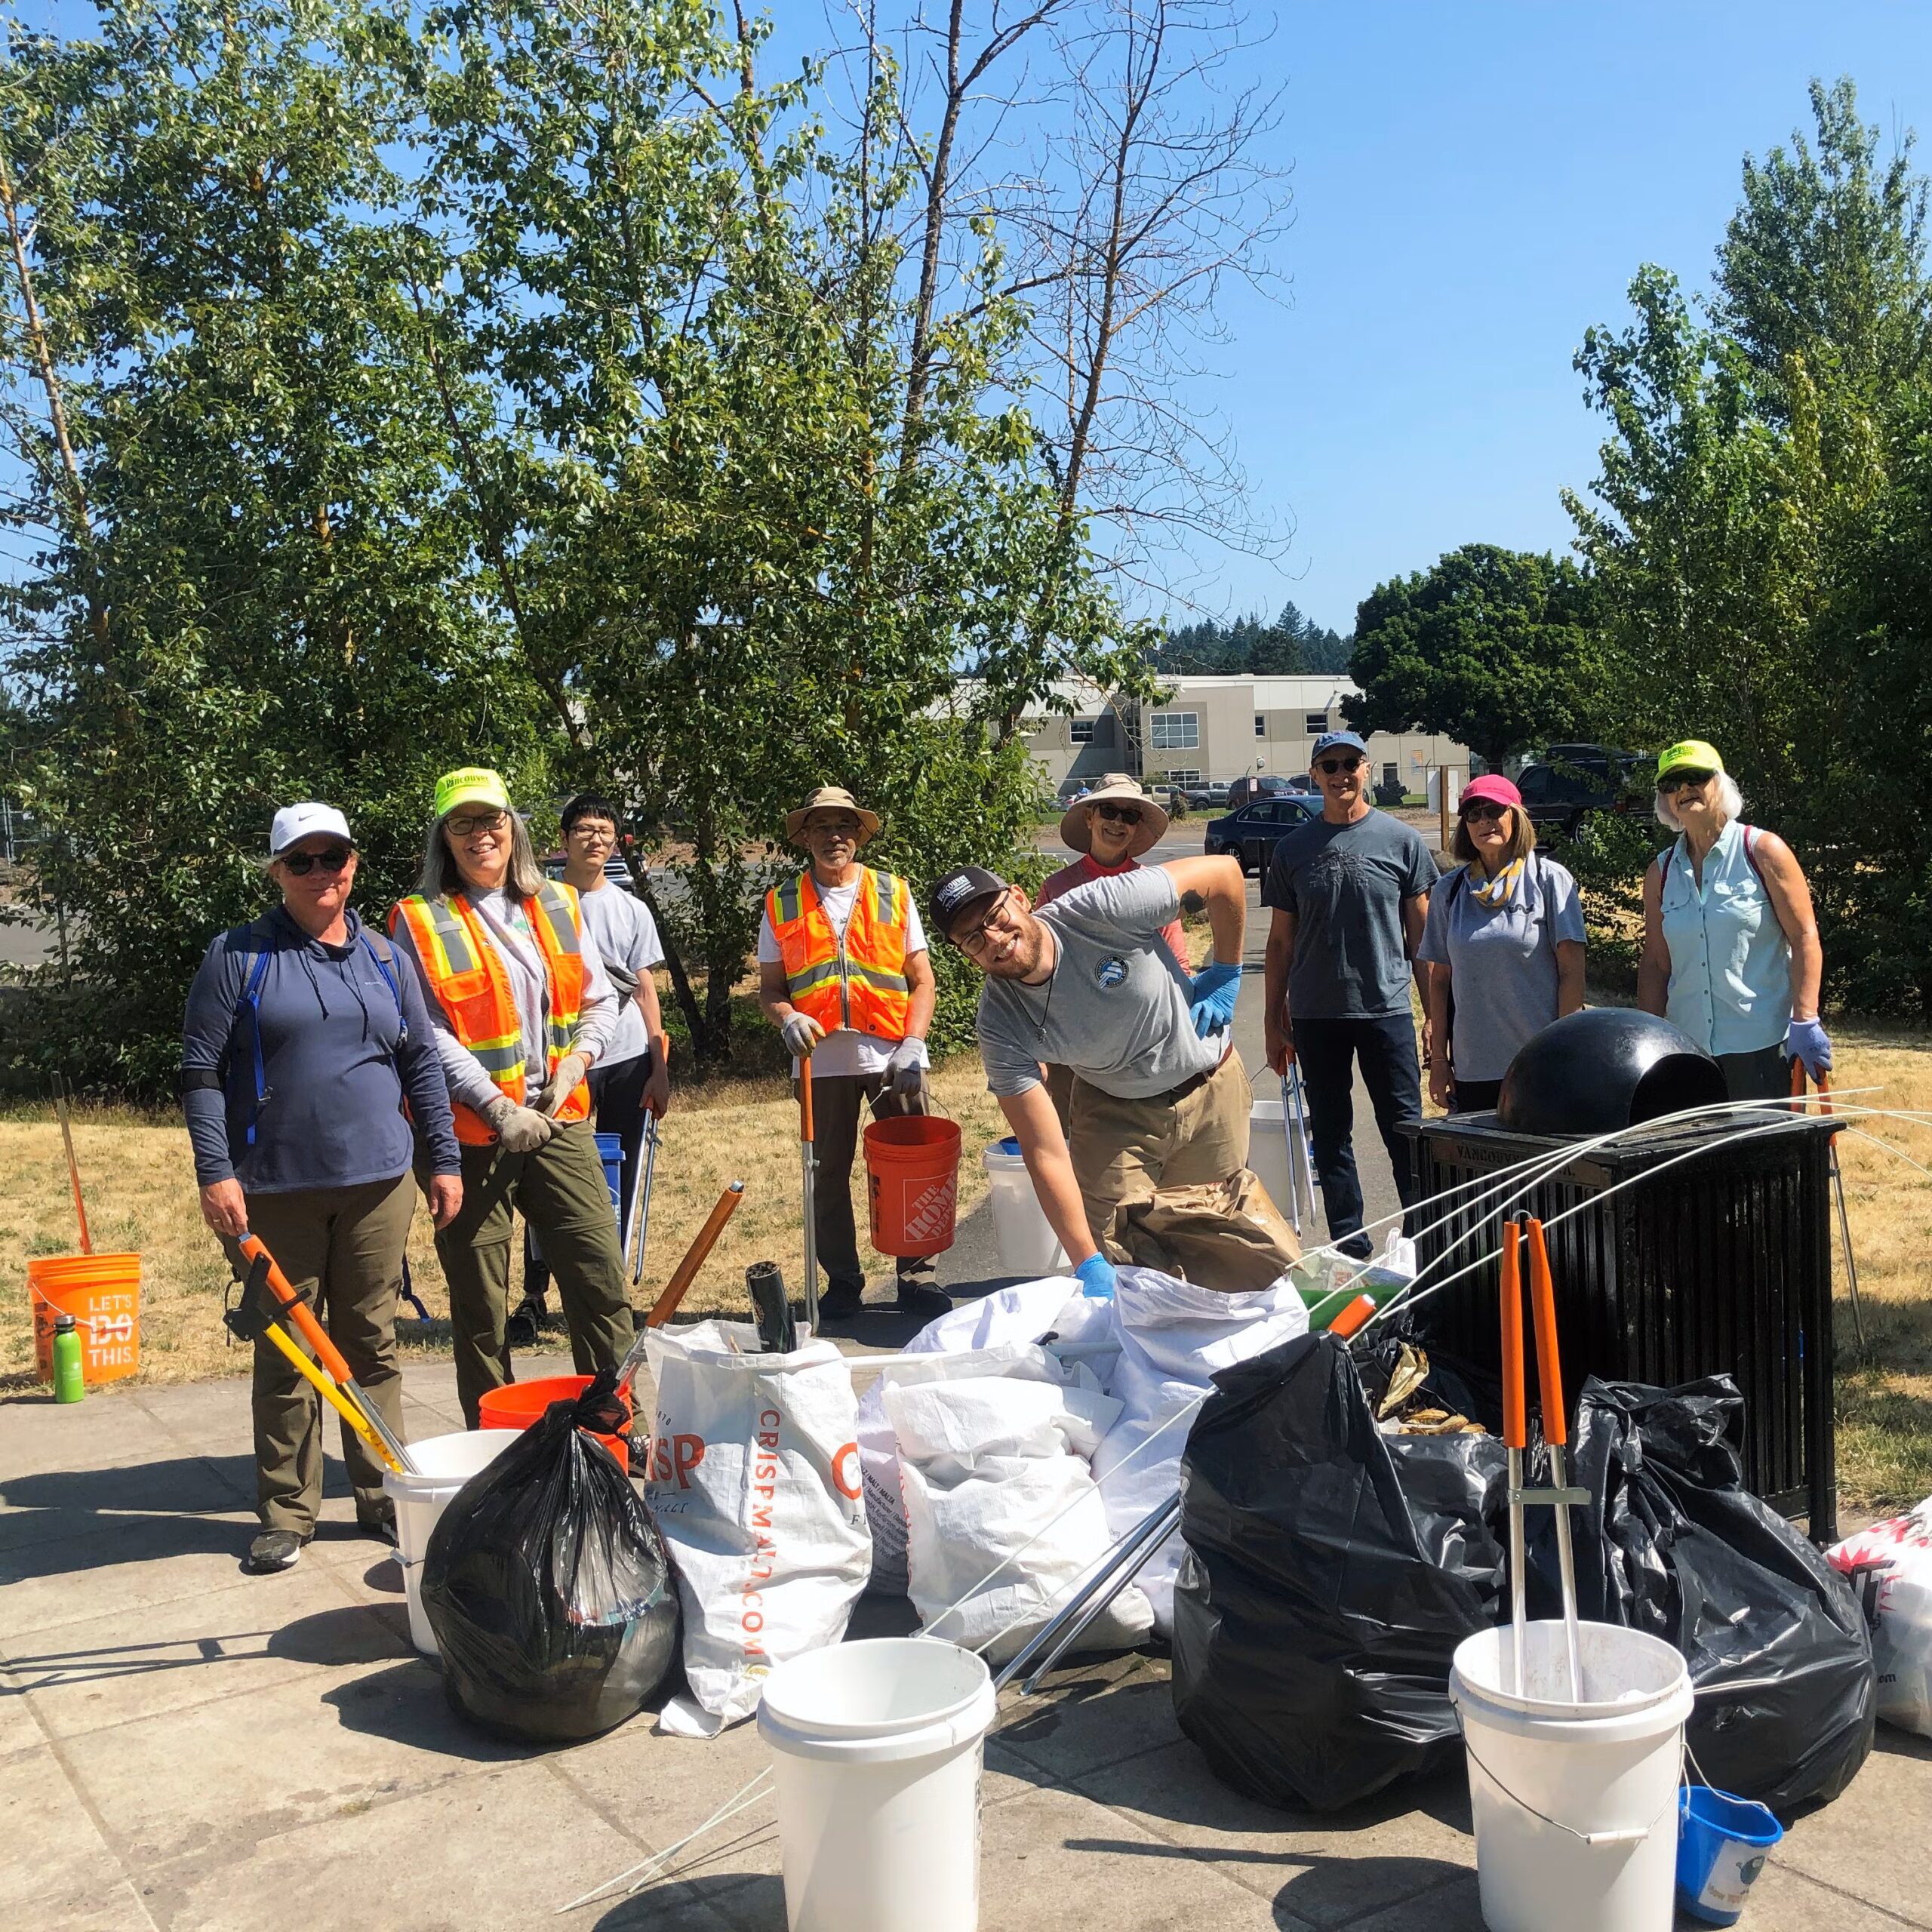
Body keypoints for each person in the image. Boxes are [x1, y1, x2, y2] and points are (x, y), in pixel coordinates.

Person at [181, 803, 463, 1574]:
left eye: (332, 856)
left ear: (354, 863)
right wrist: (215, 1171)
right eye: (300, 860)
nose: (319, 873)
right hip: (272, 1187)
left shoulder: (383, 956)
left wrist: (442, 1159)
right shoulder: (238, 955)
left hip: (379, 1183)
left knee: (371, 1343)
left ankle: (381, 1495)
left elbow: (421, 1065)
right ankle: (286, 1512)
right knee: (292, 1353)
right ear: (276, 871)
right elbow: (201, 1073)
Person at [388, 768, 635, 1424]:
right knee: (481, 1306)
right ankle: (497, 1445)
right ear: (444, 836)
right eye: (462, 822)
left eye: (491, 819)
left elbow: (600, 1000)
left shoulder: (558, 902)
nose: (480, 834)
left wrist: (578, 1062)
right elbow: (427, 1034)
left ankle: (615, 1428)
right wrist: (496, 1107)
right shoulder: (418, 918)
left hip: (559, 1122)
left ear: (513, 827)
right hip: (472, 1136)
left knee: (599, 1279)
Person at [930, 851, 1248, 1298]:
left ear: (1020, 899)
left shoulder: (1104, 906)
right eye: (973, 940)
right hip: (1116, 1106)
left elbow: (1225, 875)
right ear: (965, 954)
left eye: (996, 917)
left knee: (1217, 1251)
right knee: (1127, 1265)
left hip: (1209, 1084)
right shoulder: (1001, 1022)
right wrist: (1086, 1261)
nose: (995, 940)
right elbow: (1044, 1149)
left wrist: (1227, 970)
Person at [756, 785, 949, 1321]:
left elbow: (922, 981)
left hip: (893, 1058)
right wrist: (787, 1017)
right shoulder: (781, 901)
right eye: (822, 827)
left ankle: (917, 1278)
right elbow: (771, 990)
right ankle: (842, 1282)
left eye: (844, 826)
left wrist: (914, 1043)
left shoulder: (893, 892)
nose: (834, 836)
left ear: (859, 835)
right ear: (805, 837)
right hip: (821, 1062)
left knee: (912, 1169)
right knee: (825, 1174)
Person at [1262, 730, 1437, 1257]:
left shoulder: (1402, 841)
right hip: (1317, 1015)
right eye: (1329, 765)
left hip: (1385, 1010)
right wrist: (1274, 1018)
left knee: (1405, 1132)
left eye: (1350, 764)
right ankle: (1350, 1249)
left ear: (1366, 769)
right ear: (1314, 775)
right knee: (1333, 1137)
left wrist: (1435, 1019)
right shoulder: (1293, 850)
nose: (1341, 774)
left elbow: (1423, 943)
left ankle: (1424, 1242)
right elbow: (1279, 943)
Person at [515, 793, 670, 1334]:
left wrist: (659, 1062)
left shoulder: (632, 909)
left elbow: (646, 986)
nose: (595, 839)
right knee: (545, 1172)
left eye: (605, 830)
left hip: (625, 1056)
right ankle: (535, 1291)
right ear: (563, 840)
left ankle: (610, 1287)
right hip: (560, 1060)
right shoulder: (535, 903)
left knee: (618, 1171)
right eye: (584, 829)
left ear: (617, 841)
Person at [1637, 739, 1831, 1101]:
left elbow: (1804, 937)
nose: (1684, 790)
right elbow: (1656, 963)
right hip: (1688, 1050)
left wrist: (1805, 1018)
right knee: (1700, 1157)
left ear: (1720, 783)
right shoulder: (1660, 872)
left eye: (1695, 777)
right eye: (1671, 784)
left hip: (1764, 1048)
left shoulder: (1763, 851)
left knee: (1770, 1157)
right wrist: (1646, 1035)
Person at [1419, 774, 1586, 1113]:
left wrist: (1562, 1053)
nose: (1484, 821)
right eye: (1473, 814)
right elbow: (1440, 981)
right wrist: (1439, 1060)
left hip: (1538, 1067)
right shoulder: (1449, 891)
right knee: (1482, 1166)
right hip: (1472, 1069)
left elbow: (1572, 974)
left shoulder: (1549, 880)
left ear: (1516, 816)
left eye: (1494, 810)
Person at [1036, 772, 1189, 1124]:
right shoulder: (1057, 889)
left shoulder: (1154, 886)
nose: (1118, 822)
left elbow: (1178, 962)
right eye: (1109, 810)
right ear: (1090, 816)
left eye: (1130, 815)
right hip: (1073, 1048)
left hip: (1140, 1045)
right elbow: (1038, 973)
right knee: (1070, 1145)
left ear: (1136, 827)